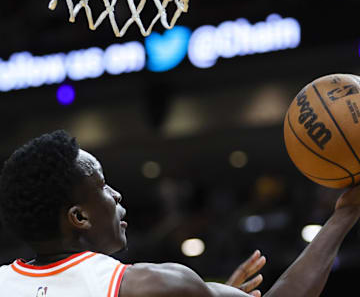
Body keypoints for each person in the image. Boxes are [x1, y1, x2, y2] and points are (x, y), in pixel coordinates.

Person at [0, 130, 359, 297]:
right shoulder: (150, 286)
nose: (117, 194)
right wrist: (344, 215)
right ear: (79, 217)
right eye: (103, 187)